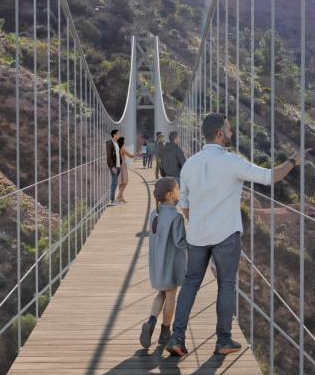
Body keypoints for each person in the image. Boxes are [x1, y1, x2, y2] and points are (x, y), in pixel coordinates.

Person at [166, 113, 302, 357]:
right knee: (226, 284)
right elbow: (269, 176)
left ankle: (176, 338)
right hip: (226, 235)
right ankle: (223, 341)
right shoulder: (232, 162)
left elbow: (184, 205)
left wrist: (197, 221)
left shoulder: (189, 164)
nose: (231, 133)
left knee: (190, 284)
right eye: (228, 130)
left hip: (197, 234)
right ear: (219, 134)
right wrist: (293, 161)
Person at [139, 177, 187, 349]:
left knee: (161, 293)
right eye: (177, 189)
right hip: (170, 265)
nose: (179, 192)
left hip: (157, 264)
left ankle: (151, 321)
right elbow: (180, 242)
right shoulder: (176, 217)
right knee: (171, 296)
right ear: (169, 194)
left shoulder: (154, 214)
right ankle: (165, 332)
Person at [115, 136, 138, 204]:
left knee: (121, 182)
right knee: (125, 182)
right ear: (122, 142)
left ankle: (121, 199)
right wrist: (137, 153)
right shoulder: (122, 149)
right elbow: (130, 156)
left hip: (118, 166)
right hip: (122, 167)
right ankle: (118, 196)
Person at [106, 129, 121, 206]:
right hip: (114, 167)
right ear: (114, 135)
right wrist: (112, 167)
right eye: (118, 134)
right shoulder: (109, 143)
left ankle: (113, 199)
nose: (119, 135)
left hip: (118, 166)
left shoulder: (117, 143)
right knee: (113, 183)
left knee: (115, 183)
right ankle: (112, 200)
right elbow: (109, 157)